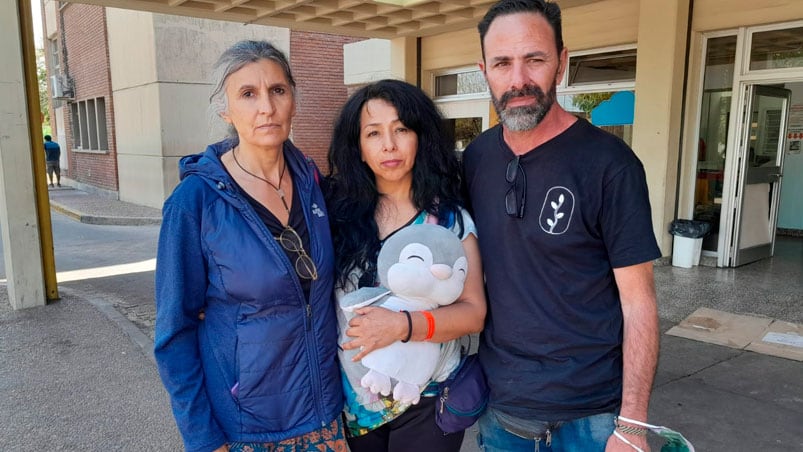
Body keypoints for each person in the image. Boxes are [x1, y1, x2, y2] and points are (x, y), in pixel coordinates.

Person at [463, 1, 662, 451]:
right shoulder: (476, 160)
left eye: (534, 59)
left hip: (592, 416)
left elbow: (639, 303)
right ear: (484, 70)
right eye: (502, 63)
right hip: (503, 409)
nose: (519, 80)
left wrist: (633, 425)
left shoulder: (610, 165)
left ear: (561, 62)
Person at [154, 40, 344, 452]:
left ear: (293, 99)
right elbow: (173, 335)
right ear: (225, 110)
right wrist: (204, 439)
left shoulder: (312, 181)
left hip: (325, 413)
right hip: (247, 429)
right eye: (247, 94)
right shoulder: (195, 203)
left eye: (278, 90)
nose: (266, 107)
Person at [325, 79, 487, 452]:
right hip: (356, 401)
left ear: (421, 138)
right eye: (374, 133)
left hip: (428, 397)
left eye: (401, 129)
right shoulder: (336, 214)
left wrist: (402, 326)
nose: (389, 145)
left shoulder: (448, 220)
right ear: (358, 147)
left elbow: (473, 312)